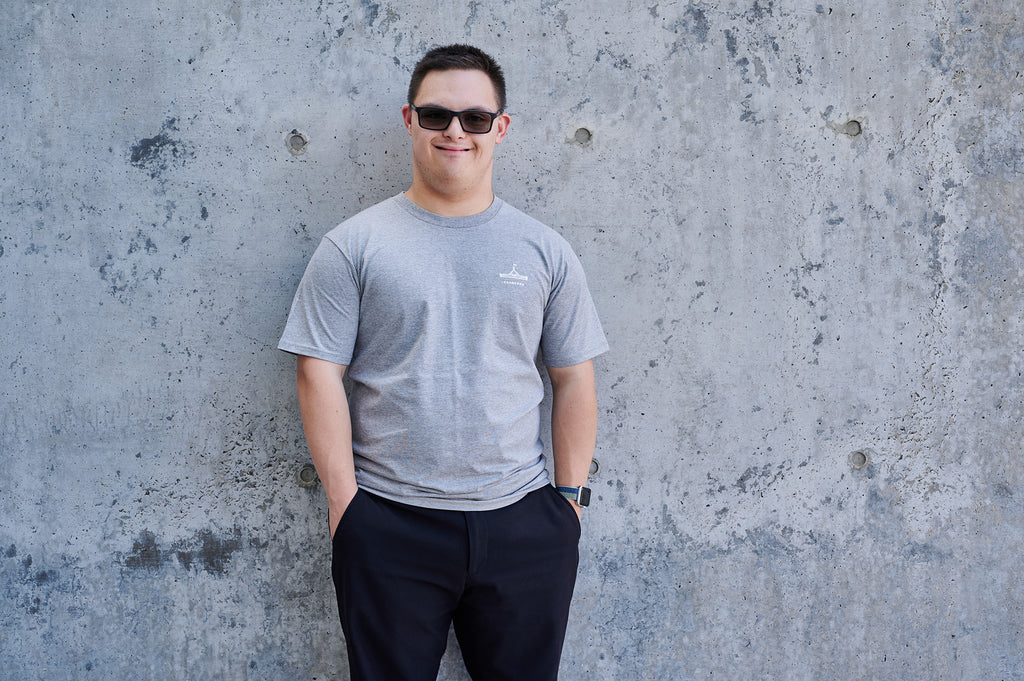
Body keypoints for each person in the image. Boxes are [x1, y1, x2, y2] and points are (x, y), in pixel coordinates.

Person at [278, 44, 608, 681]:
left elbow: (573, 377)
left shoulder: (544, 250)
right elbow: (317, 371)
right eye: (436, 115)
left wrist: (567, 504)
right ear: (410, 120)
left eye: (475, 118)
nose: (455, 131)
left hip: (524, 524)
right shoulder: (353, 245)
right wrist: (346, 505)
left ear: (500, 128)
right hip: (388, 522)